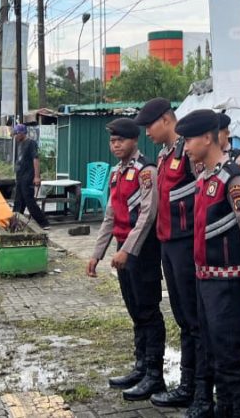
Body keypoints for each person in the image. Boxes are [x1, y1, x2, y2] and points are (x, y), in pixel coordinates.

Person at [176, 109, 240, 417]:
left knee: (231, 359)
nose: (184, 147)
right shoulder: (205, 178)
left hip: (227, 281)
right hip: (205, 279)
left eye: (188, 140)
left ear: (208, 138)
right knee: (213, 355)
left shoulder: (232, 178)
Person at [133, 98, 211, 415]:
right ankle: (188, 385)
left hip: (187, 245)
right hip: (168, 244)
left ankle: (202, 393)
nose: (147, 132)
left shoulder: (188, 153)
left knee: (195, 320)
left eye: (150, 125)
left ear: (166, 119)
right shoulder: (165, 157)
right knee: (183, 318)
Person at [88, 118, 167, 401]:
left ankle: (155, 376)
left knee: (148, 311)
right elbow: (110, 215)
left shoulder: (146, 171)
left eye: (120, 140)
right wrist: (97, 254)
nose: (115, 145)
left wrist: (127, 250)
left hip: (142, 251)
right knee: (135, 312)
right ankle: (140, 367)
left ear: (134, 140)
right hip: (124, 249)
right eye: (112, 141)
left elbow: (147, 215)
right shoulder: (117, 174)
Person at [12, 123, 50, 229]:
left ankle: (43, 222)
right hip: (20, 176)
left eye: (16, 133)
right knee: (18, 200)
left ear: (22, 133)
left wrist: (37, 176)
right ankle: (15, 220)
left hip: (28, 177)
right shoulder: (19, 144)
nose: (15, 136)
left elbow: (35, 159)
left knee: (29, 200)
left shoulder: (31, 143)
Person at [217, 112, 240, 181]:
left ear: (227, 133)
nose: (213, 138)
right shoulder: (208, 160)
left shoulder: (239, 159)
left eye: (216, 133)